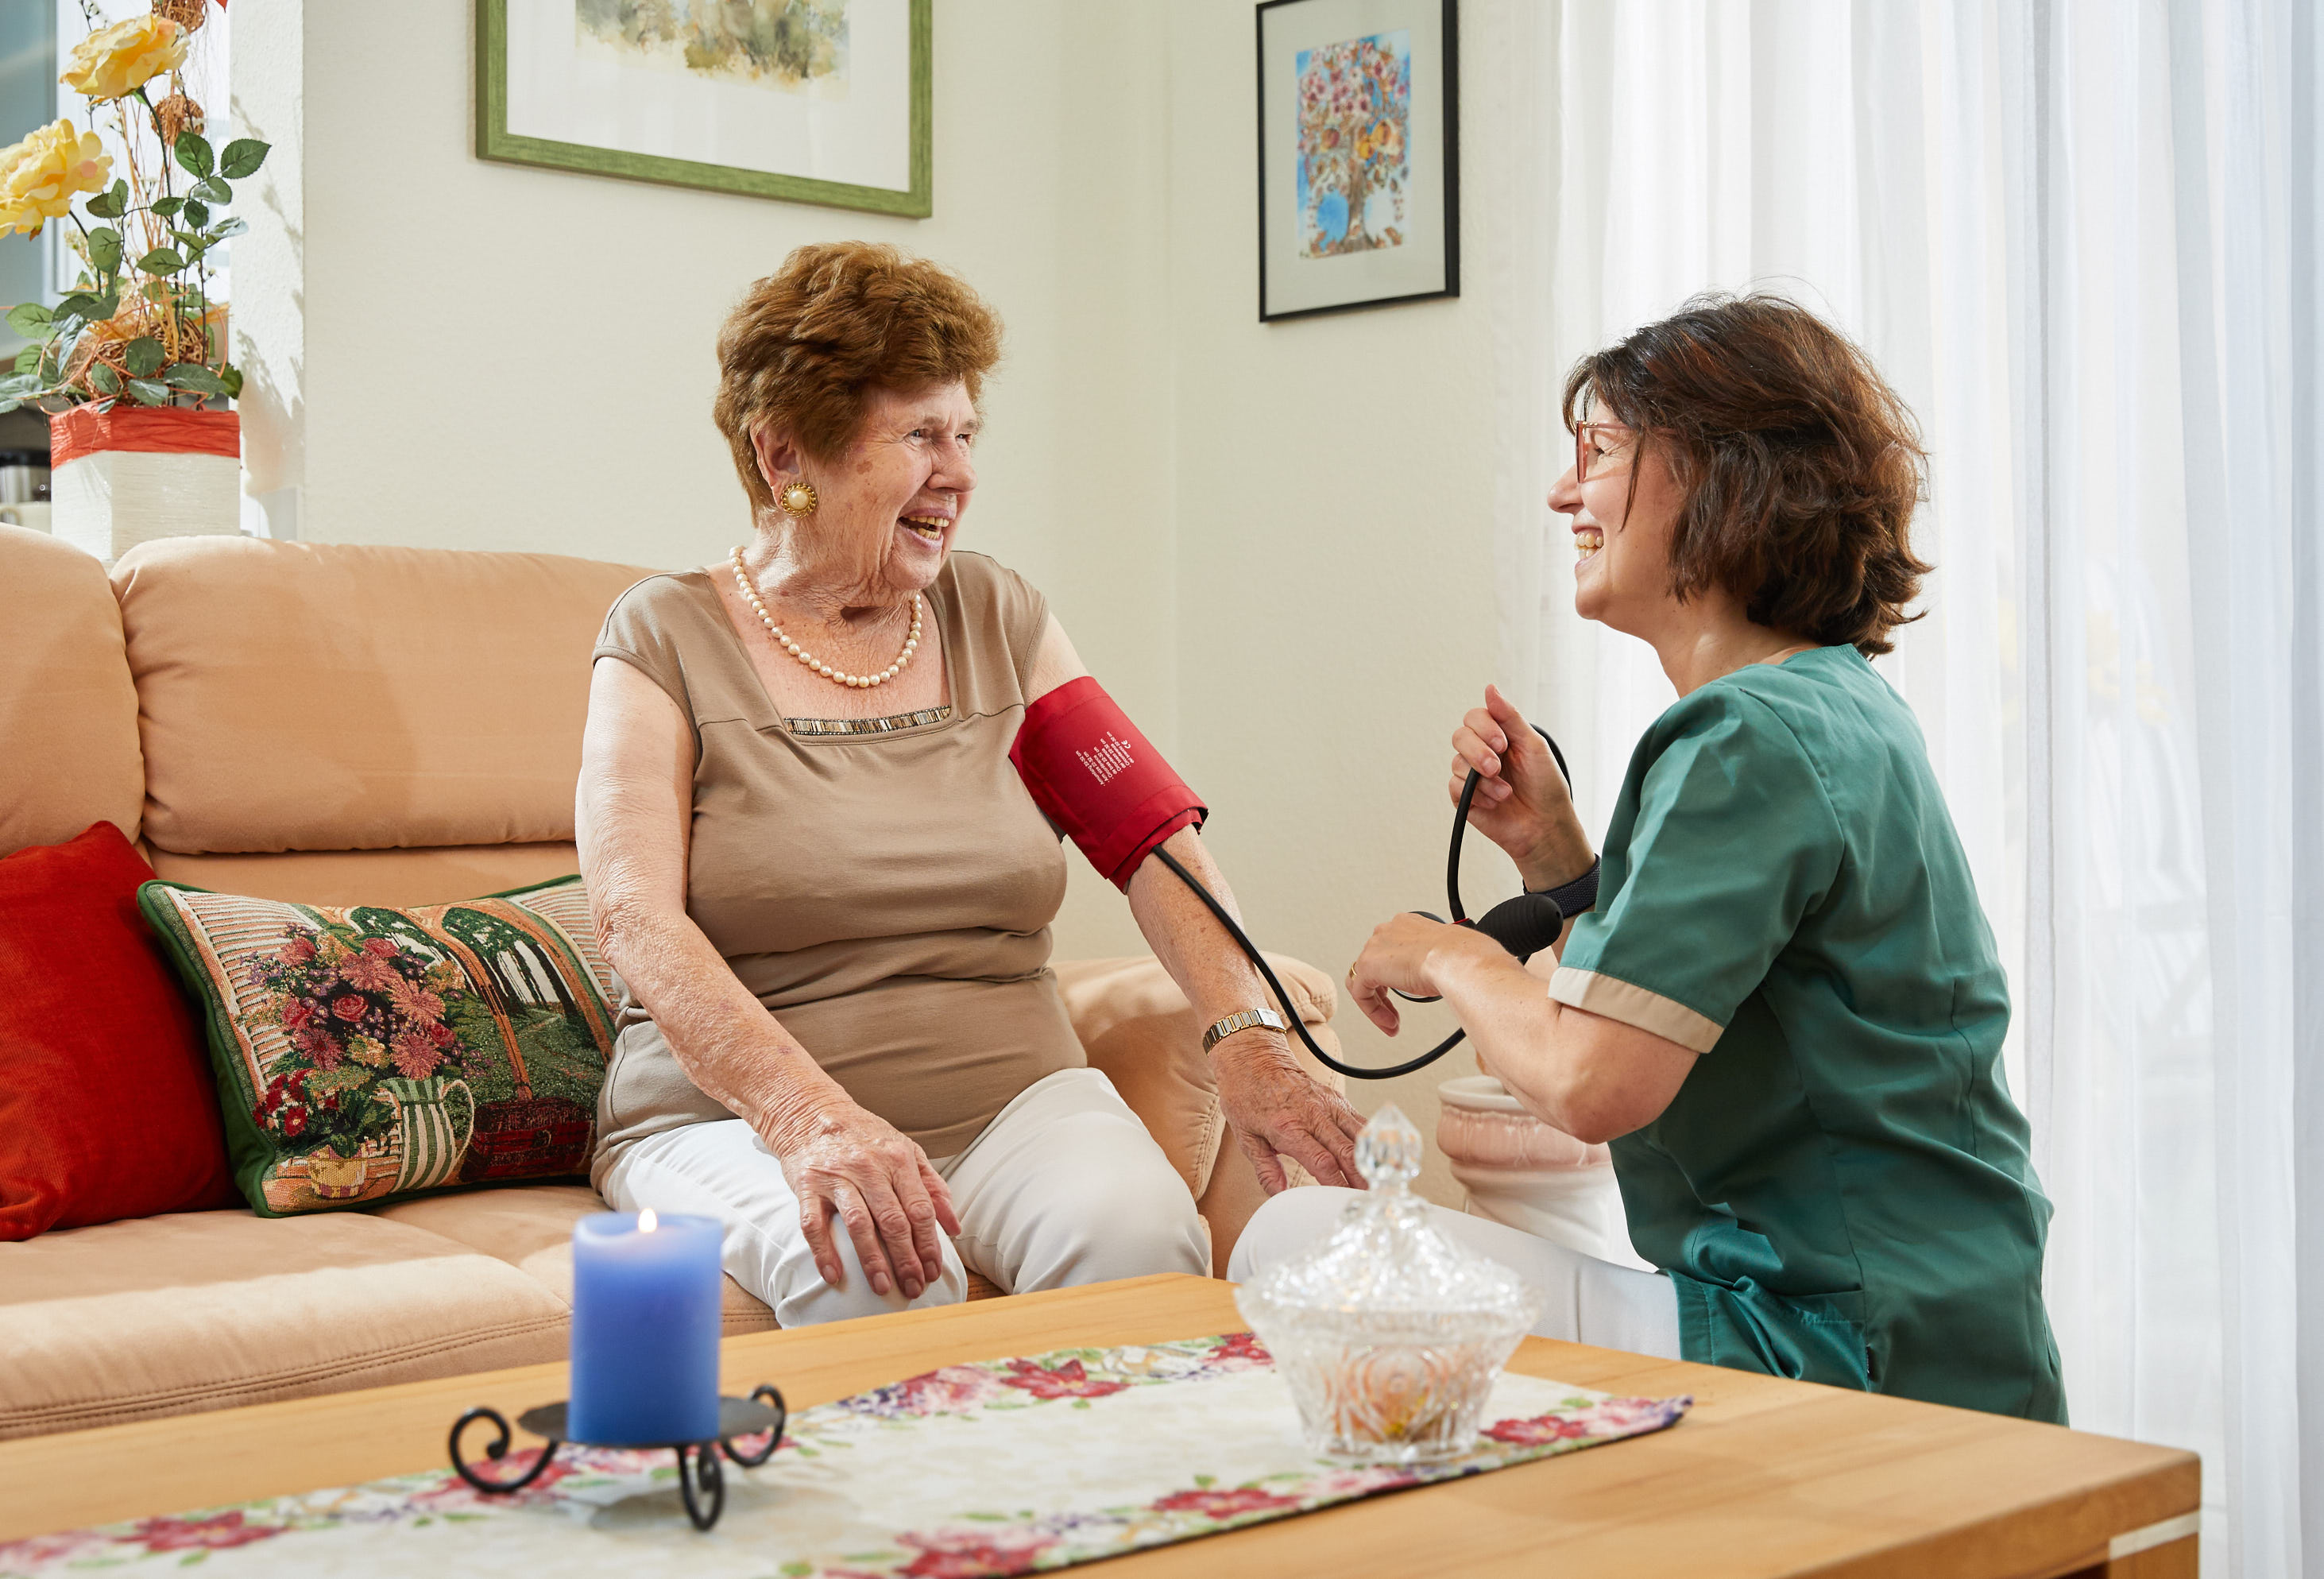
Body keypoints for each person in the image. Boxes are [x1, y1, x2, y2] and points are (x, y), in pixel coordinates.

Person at [1232, 294, 2066, 1422]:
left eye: (1601, 453)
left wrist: (1451, 957)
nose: (1562, 493)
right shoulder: (1827, 707)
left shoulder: (1743, 736)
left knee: (1291, 1238)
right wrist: (1557, 857)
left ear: (1721, 474)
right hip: (1922, 1323)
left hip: (1830, 1350)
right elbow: (1681, 1006)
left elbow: (1594, 1083)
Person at [578, 242, 1364, 1327]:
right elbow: (633, 921)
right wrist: (811, 1120)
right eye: (917, 437)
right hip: (737, 1123)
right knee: (869, 1264)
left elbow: (1148, 838)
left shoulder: (999, 617)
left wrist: (1248, 1036)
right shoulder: (664, 637)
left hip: (1011, 1103)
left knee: (1139, 1241)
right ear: (782, 453)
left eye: (964, 434)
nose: (958, 473)